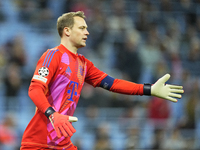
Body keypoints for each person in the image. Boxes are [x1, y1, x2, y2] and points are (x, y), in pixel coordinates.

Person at [20, 11, 184, 150]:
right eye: (82, 28)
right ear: (67, 31)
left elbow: (113, 84)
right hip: (39, 141)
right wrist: (53, 114)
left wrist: (148, 89)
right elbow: (34, 89)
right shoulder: (53, 55)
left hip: (61, 142)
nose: (87, 32)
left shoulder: (83, 64)